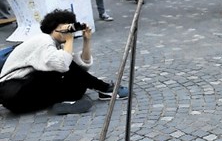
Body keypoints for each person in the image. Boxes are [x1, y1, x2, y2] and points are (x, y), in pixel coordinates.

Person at [0, 9, 129, 115]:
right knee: (65, 67)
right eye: (66, 27)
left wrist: (86, 41)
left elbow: (82, 69)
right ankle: (105, 88)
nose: (69, 31)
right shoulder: (43, 40)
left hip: (23, 100)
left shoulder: (55, 46)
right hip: (13, 92)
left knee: (78, 83)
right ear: (54, 27)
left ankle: (64, 103)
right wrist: (69, 40)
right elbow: (63, 65)